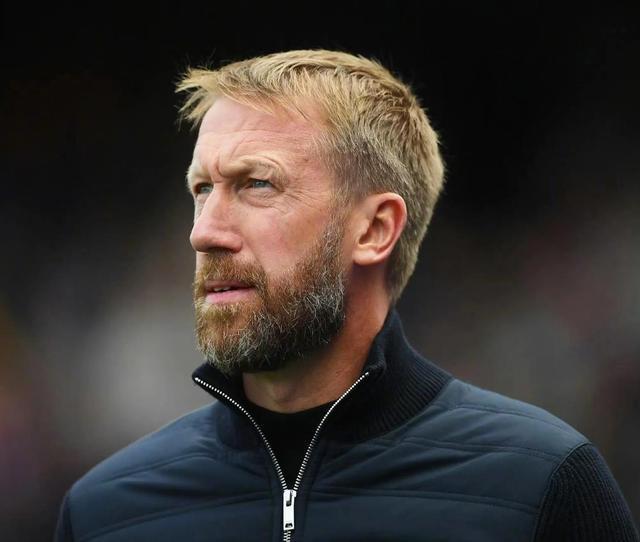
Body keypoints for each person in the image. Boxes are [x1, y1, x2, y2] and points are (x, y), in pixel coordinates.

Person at [55, 50, 638, 542]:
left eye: (256, 184)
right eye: (202, 189)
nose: (203, 232)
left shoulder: (542, 486)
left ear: (375, 229)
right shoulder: (106, 512)